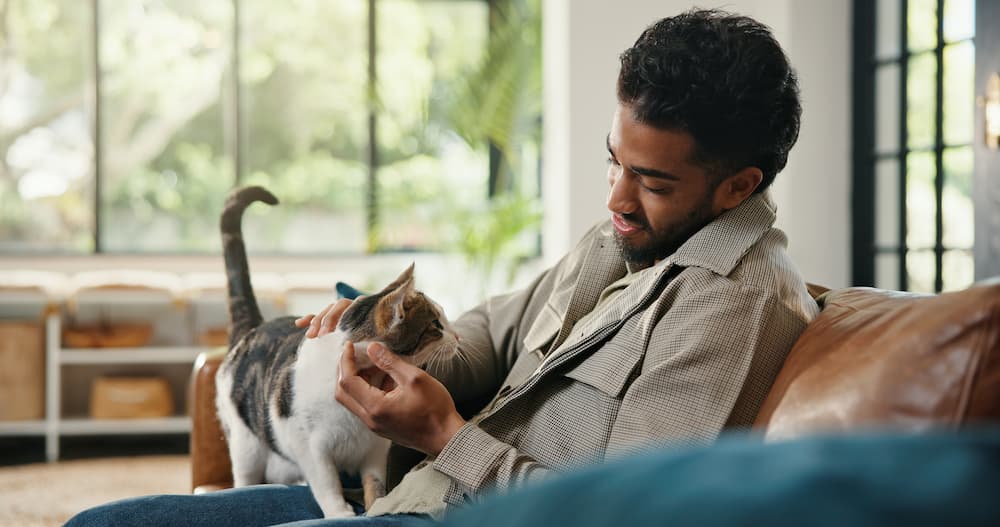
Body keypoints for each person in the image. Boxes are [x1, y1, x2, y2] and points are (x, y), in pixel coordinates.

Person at [66, 8, 819, 527]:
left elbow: (616, 513)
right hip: (412, 490)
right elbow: (494, 331)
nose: (615, 198)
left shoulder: (731, 307)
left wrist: (445, 434)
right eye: (614, 161)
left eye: (651, 182)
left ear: (738, 186)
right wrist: (383, 346)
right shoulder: (628, 237)